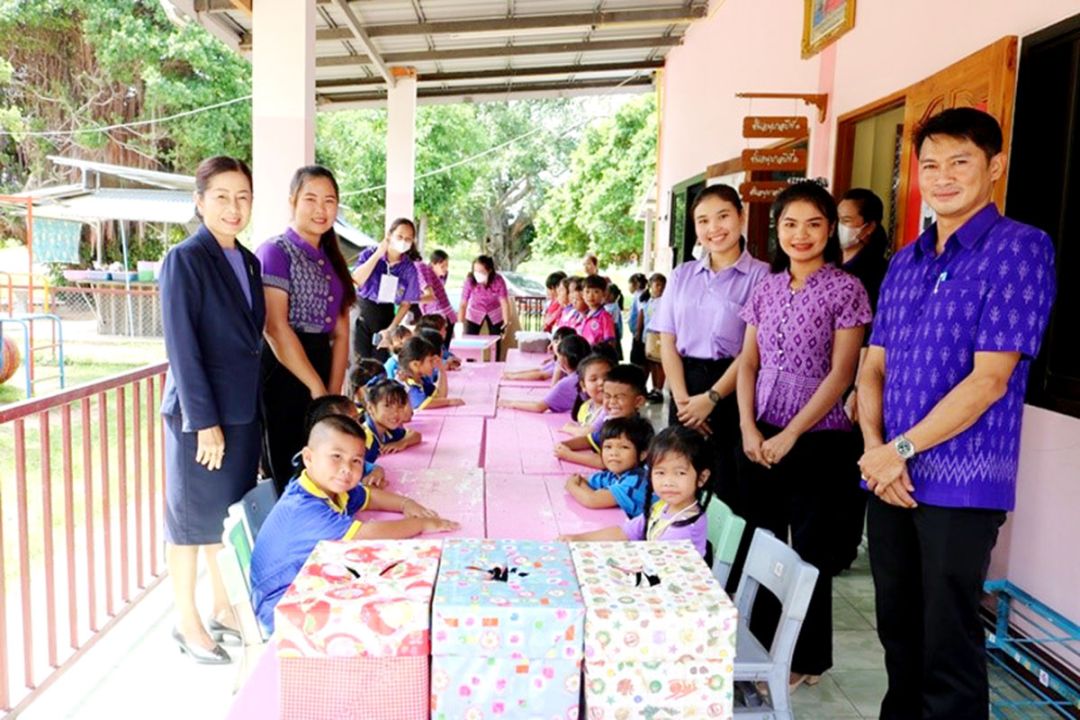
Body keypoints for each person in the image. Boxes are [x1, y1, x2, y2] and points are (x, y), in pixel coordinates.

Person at [856, 108, 1056, 720]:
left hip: (962, 483)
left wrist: (899, 450)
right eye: (931, 165)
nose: (943, 177)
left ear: (994, 166)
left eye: (960, 162)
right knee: (898, 633)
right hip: (889, 477)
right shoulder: (905, 260)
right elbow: (872, 367)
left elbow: (990, 380)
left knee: (948, 644)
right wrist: (875, 451)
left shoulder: (1020, 248)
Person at [737, 180, 871, 690]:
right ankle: (763, 648)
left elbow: (841, 374)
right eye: (790, 223)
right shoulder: (767, 287)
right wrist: (749, 426)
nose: (801, 234)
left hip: (822, 439)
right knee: (764, 545)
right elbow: (748, 361)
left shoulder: (846, 288)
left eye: (814, 223)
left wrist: (792, 433)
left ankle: (806, 659)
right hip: (761, 432)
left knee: (810, 554)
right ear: (777, 229)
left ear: (830, 229)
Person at [160, 156, 264, 664]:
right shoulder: (185, 258)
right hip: (200, 421)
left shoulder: (248, 261)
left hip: (242, 415)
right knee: (188, 524)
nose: (233, 206)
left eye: (242, 196)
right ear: (199, 201)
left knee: (223, 521)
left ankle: (224, 607)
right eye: (221, 196)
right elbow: (183, 346)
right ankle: (187, 622)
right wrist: (203, 423)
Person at [249, 414, 459, 633]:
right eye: (336, 456)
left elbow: (368, 496)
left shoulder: (327, 487)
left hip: (310, 581)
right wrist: (421, 524)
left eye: (356, 461)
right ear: (308, 458)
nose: (346, 469)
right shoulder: (304, 509)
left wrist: (406, 503)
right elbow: (369, 534)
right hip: (284, 609)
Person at [651, 185, 770, 514]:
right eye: (703, 221)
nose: (713, 228)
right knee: (682, 480)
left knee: (729, 485)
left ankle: (723, 562)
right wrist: (684, 401)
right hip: (685, 384)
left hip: (734, 386)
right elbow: (668, 341)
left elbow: (753, 350)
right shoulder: (681, 275)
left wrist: (713, 398)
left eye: (723, 217)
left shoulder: (762, 276)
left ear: (741, 217)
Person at [257, 165, 357, 495]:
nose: (320, 209)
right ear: (293, 201)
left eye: (329, 201)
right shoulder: (276, 251)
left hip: (322, 363)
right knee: (291, 462)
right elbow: (274, 326)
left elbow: (341, 333)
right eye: (310, 199)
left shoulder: (332, 258)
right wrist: (316, 388)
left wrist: (331, 392)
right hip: (285, 368)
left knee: (327, 468)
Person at [834, 187, 891, 572]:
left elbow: (874, 340)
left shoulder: (876, 273)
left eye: (846, 221)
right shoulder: (833, 265)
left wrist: (856, 388)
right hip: (830, 382)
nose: (840, 228)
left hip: (859, 384)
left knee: (850, 468)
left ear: (868, 228)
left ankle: (844, 546)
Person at [560, 425, 714, 558]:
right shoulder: (662, 506)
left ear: (702, 477)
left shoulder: (684, 528)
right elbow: (626, 532)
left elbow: (657, 568)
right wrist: (578, 539)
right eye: (660, 473)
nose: (668, 482)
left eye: (680, 473)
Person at [351, 218, 422, 362]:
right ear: (389, 235)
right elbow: (356, 280)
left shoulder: (408, 268)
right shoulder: (369, 254)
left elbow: (406, 304)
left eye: (408, 239)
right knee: (359, 364)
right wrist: (378, 255)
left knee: (379, 363)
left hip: (385, 316)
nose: (403, 241)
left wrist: (391, 329)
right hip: (361, 312)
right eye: (400, 236)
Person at [555, 363, 648, 469]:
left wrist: (569, 455)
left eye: (619, 397)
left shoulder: (635, 429)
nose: (612, 402)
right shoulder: (612, 421)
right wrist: (564, 445)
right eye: (607, 396)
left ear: (638, 401)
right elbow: (590, 440)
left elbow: (606, 462)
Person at [564, 415, 655, 518]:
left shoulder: (635, 482)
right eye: (608, 447)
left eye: (624, 447)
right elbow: (584, 480)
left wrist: (571, 485)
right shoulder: (615, 475)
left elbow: (591, 499)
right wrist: (580, 484)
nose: (614, 453)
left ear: (643, 454)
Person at [497, 333, 591, 414]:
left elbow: (539, 407)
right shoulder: (586, 373)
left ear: (564, 359)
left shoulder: (568, 381)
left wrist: (510, 403)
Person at [458, 254, 511, 356]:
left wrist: (506, 322)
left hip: (494, 311)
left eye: (481, 271)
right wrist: (460, 323)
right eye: (475, 271)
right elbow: (463, 304)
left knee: (496, 340)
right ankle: (470, 361)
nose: (478, 274)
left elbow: (504, 302)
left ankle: (495, 363)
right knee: (470, 339)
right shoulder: (470, 281)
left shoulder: (498, 280)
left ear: (489, 270)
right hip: (475, 311)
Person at [360, 379, 421, 464]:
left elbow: (416, 435)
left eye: (400, 406)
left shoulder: (388, 431)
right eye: (387, 406)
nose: (395, 413)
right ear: (370, 408)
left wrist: (402, 443)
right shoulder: (364, 439)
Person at [395, 336, 463, 410]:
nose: (433, 364)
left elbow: (440, 396)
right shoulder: (407, 382)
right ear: (415, 364)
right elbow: (422, 403)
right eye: (430, 361)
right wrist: (449, 402)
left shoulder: (422, 380)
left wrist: (442, 370)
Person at [560, 352, 614, 437]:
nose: (601, 382)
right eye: (593, 379)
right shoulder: (586, 406)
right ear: (583, 385)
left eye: (607, 377)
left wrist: (569, 428)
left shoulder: (611, 408)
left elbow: (587, 433)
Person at [501, 325, 576, 382]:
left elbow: (542, 375)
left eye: (557, 342)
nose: (553, 344)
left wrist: (513, 377)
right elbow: (540, 370)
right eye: (554, 341)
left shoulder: (562, 363)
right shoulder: (557, 360)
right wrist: (513, 374)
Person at [639, 273, 668, 402]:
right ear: (650, 285)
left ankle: (659, 389)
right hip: (649, 335)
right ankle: (654, 388)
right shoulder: (649, 301)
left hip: (659, 335)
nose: (659, 288)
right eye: (657, 285)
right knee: (651, 363)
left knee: (659, 363)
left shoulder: (665, 301)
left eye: (662, 285)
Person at [415, 248, 457, 333]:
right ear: (432, 264)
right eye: (442, 266)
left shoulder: (420, 268)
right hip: (437, 316)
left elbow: (432, 296)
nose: (445, 269)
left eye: (446, 266)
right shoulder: (423, 270)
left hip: (440, 316)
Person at [578, 274, 617, 346]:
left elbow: (610, 342)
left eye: (596, 292)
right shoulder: (584, 316)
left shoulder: (605, 317)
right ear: (582, 294)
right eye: (587, 291)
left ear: (604, 294)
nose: (590, 295)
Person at [627, 273, 649, 368]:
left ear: (635, 284)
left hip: (639, 332)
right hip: (638, 331)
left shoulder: (640, 295)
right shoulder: (640, 294)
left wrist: (638, 331)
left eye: (629, 284)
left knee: (638, 359)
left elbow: (641, 312)